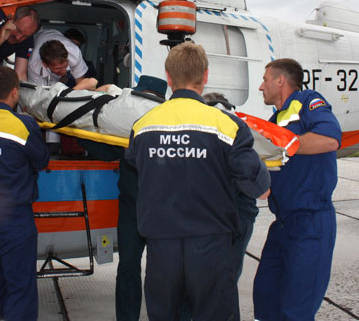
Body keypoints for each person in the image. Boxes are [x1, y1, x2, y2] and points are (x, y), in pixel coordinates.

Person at [125, 42, 271, 321]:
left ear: (168, 77)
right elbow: (259, 188)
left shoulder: (143, 126)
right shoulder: (227, 125)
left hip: (161, 247)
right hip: (211, 245)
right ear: (205, 76)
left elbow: (135, 164)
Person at [253, 58, 342, 321]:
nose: (261, 87)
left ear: (280, 81)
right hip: (282, 225)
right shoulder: (274, 121)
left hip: (310, 222)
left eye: (265, 80)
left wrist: (283, 145)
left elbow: (330, 138)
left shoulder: (308, 101)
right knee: (266, 299)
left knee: (296, 311)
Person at [0, 66, 49, 321]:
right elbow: (42, 161)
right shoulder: (22, 125)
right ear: (15, 92)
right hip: (14, 216)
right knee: (21, 284)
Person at [115, 75, 167, 321]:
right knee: (129, 269)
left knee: (159, 273)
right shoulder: (126, 125)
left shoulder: (167, 125)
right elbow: (103, 149)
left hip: (157, 211)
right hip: (135, 209)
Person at [202, 92, 258, 281]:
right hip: (239, 217)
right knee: (227, 279)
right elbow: (259, 184)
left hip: (212, 220)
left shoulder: (201, 136)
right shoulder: (243, 133)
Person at [27, 28, 97, 91]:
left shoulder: (74, 52)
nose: (64, 71)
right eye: (58, 68)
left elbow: (80, 81)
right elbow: (39, 94)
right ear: (45, 64)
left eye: (65, 66)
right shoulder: (34, 65)